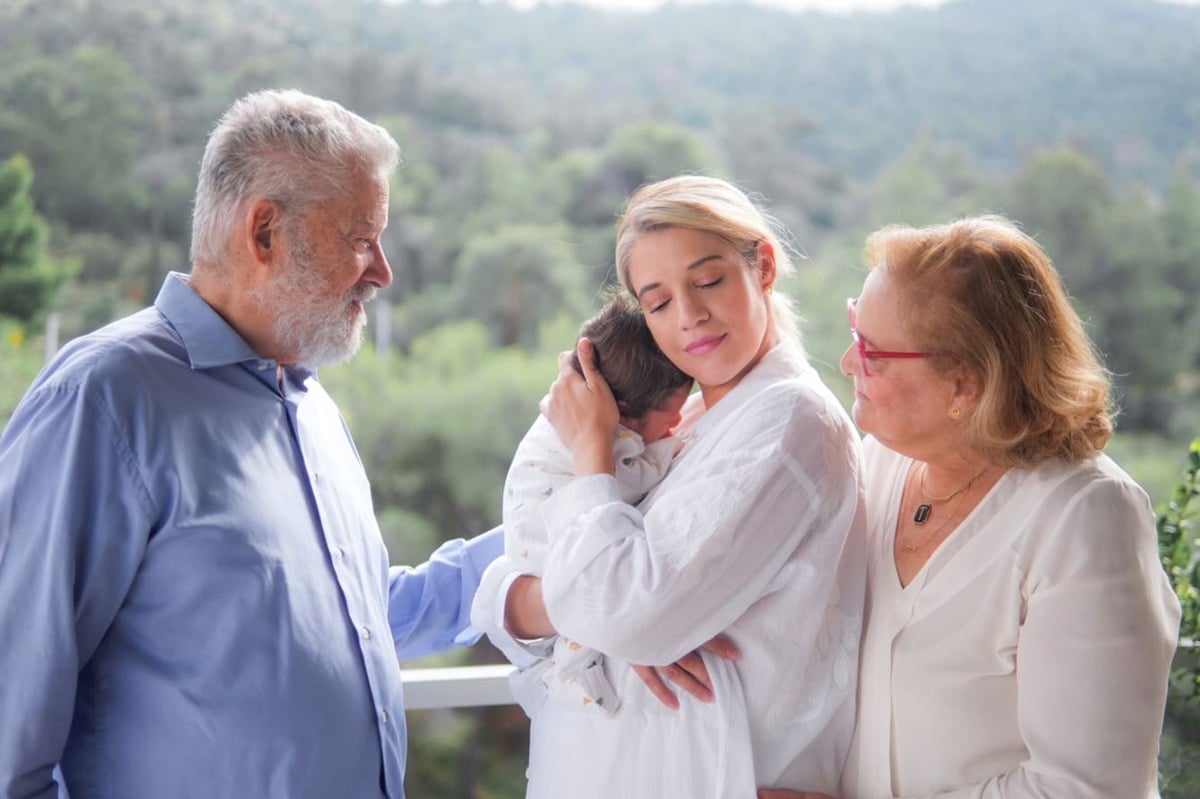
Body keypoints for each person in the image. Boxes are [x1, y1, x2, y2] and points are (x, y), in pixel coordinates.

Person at [0, 89, 502, 799]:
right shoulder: (103, 397)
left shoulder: (312, 406)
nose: (383, 272)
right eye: (362, 238)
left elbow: (358, 619)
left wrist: (554, 529)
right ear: (265, 232)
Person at [472, 175, 868, 798]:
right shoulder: (679, 420)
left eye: (707, 281)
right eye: (657, 304)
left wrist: (590, 448)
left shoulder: (787, 420)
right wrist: (582, 609)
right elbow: (518, 593)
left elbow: (620, 612)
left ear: (763, 266)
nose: (689, 316)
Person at [762, 215, 1180, 799]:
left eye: (871, 350)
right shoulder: (878, 463)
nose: (849, 362)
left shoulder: (1086, 516)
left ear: (964, 385)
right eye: (857, 328)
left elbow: (1085, 789)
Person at [503, 296, 693, 714]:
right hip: (546, 547)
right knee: (585, 628)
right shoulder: (604, 435)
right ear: (621, 411)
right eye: (671, 417)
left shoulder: (567, 411)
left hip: (526, 548)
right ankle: (583, 667)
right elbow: (628, 481)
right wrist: (672, 450)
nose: (677, 425)